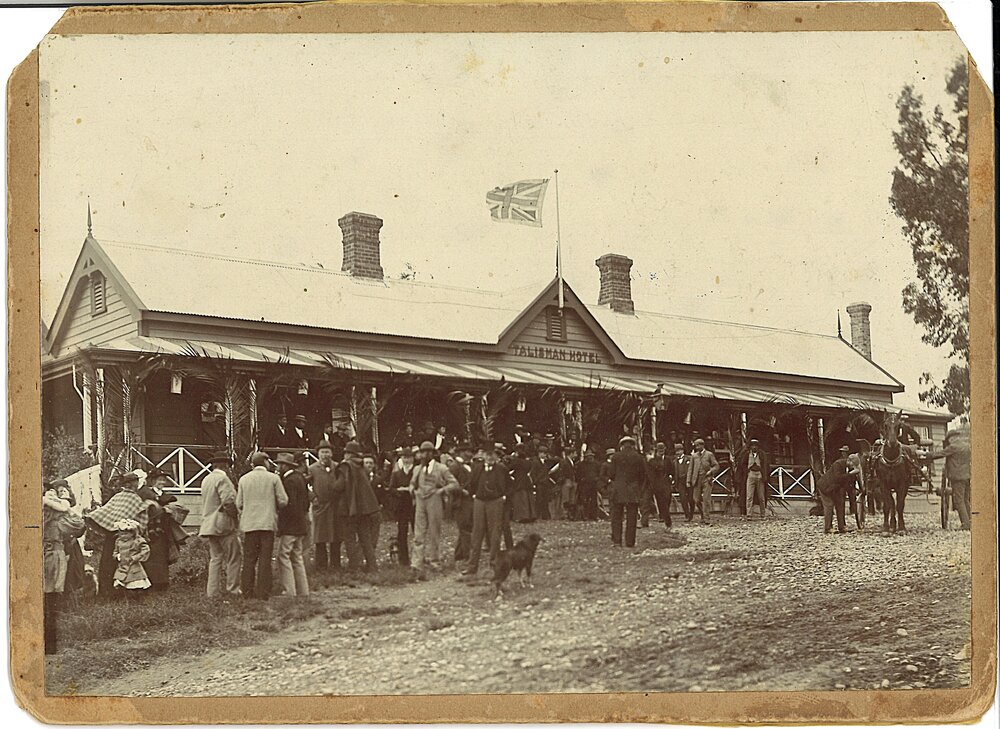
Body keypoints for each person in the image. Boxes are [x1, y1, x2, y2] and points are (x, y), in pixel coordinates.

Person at [85, 472, 150, 599]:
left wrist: (94, 516)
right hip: (128, 537)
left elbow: (105, 511)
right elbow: (142, 516)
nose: (137, 484)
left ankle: (106, 591)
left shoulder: (117, 497)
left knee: (109, 561)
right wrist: (139, 530)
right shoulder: (135, 498)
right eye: (136, 482)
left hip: (112, 535)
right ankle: (124, 591)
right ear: (132, 484)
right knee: (126, 562)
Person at [237, 452, 288, 600]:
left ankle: (247, 591)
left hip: (250, 524)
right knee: (265, 558)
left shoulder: (244, 479)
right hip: (267, 523)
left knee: (249, 559)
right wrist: (274, 506)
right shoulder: (273, 478)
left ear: (253, 464)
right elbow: (283, 500)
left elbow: (239, 503)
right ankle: (263, 592)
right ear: (266, 463)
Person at [461, 444, 512, 576]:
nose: (489, 457)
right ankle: (472, 566)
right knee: (477, 533)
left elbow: (509, 485)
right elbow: (471, 483)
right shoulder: (477, 468)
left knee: (495, 534)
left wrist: (504, 497)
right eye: (487, 454)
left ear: (496, 456)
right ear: (483, 455)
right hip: (479, 502)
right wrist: (474, 495)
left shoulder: (502, 469)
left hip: (495, 502)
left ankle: (494, 564)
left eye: (492, 454)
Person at [198, 451, 242, 598]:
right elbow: (229, 501)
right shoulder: (223, 479)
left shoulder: (206, 480)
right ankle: (233, 589)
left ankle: (212, 592)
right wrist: (236, 519)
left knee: (215, 559)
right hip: (223, 524)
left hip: (208, 524)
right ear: (225, 466)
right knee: (233, 557)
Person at [409, 440, 460, 569]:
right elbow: (412, 483)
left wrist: (442, 490)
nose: (424, 455)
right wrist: (412, 489)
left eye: (427, 452)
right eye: (422, 452)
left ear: (432, 453)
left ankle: (434, 560)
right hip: (421, 500)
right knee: (418, 532)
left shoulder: (441, 468)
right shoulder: (417, 468)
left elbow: (454, 483)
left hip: (434, 500)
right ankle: (416, 562)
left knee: (434, 531)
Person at [334, 441, 382, 572]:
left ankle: (354, 567)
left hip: (349, 509)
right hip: (365, 509)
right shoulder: (361, 466)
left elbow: (339, 486)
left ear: (348, 454)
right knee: (365, 538)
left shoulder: (346, 466)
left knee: (349, 538)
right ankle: (372, 566)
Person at [275, 452, 311, 596]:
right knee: (297, 557)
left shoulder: (288, 481)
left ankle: (289, 591)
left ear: (284, 466)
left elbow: (290, 505)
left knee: (283, 556)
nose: (277, 467)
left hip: (290, 526)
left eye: (279, 464)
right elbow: (305, 502)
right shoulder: (300, 478)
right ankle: (303, 591)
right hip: (301, 524)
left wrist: (282, 520)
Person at [43, 482, 72, 654]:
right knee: (50, 598)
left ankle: (50, 644)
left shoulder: (57, 519)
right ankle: (49, 644)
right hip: (50, 555)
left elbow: (77, 526)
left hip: (49, 555)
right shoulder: (58, 519)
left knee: (49, 598)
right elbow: (77, 525)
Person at [309, 440, 344, 571]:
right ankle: (321, 566)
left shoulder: (338, 467)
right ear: (318, 454)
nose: (325, 455)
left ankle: (336, 565)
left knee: (336, 536)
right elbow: (304, 484)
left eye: (327, 452)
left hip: (335, 507)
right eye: (322, 452)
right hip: (321, 508)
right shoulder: (312, 469)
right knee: (320, 538)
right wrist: (313, 498)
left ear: (332, 453)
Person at [608, 436, 647, 547]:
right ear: (633, 445)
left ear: (622, 445)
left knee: (616, 517)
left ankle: (617, 541)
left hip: (619, 490)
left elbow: (611, 474)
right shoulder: (639, 457)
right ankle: (630, 542)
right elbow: (642, 475)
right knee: (632, 518)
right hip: (633, 490)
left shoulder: (615, 457)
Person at [929, 429, 972, 530]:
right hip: (967, 476)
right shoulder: (967, 446)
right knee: (965, 499)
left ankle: (965, 524)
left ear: (951, 438)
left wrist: (926, 454)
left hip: (957, 477)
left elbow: (940, 454)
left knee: (958, 501)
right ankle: (970, 521)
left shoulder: (953, 447)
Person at [816, 446, 860, 534]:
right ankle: (828, 528)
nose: (853, 467)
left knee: (840, 504)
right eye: (853, 465)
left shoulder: (847, 467)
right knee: (829, 505)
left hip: (835, 488)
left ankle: (842, 526)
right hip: (825, 487)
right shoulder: (838, 464)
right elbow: (838, 477)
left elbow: (847, 482)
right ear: (849, 461)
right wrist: (850, 473)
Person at [387, 447, 417, 565]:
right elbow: (391, 488)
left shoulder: (416, 471)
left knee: (417, 532)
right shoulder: (397, 473)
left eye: (409, 457)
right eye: (404, 457)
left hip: (414, 504)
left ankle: (418, 558)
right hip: (402, 505)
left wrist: (411, 490)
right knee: (402, 532)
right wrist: (399, 490)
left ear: (412, 458)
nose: (406, 460)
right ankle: (403, 560)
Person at [736, 439, 771, 520]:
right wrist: (747, 472)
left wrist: (764, 475)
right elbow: (742, 465)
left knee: (761, 496)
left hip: (759, 475)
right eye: (752, 445)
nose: (754, 447)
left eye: (756, 445)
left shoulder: (762, 454)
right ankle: (749, 515)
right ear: (750, 446)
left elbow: (765, 465)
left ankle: (763, 515)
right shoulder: (747, 454)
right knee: (749, 496)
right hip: (750, 475)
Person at [687, 438, 720, 524]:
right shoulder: (694, 456)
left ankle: (706, 517)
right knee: (696, 499)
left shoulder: (709, 454)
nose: (697, 447)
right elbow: (690, 469)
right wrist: (688, 480)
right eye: (696, 446)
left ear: (702, 445)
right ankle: (702, 513)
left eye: (698, 445)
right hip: (696, 479)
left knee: (706, 499)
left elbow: (716, 466)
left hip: (706, 478)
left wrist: (711, 471)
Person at [645, 442, 674, 528]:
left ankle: (664, 515)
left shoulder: (668, 459)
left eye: (663, 450)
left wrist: (672, 477)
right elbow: (654, 469)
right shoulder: (653, 460)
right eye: (659, 450)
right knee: (661, 502)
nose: (661, 451)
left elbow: (672, 469)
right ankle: (666, 519)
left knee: (667, 499)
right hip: (656, 483)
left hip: (666, 482)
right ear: (656, 450)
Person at [508, 445, 536, 523]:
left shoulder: (516, 461)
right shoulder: (528, 462)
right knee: (528, 498)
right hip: (527, 481)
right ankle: (531, 515)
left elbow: (510, 468)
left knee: (520, 498)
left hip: (519, 480)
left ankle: (522, 516)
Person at [575, 449, 601, 521]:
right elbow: (578, 475)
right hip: (584, 485)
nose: (590, 458)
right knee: (584, 501)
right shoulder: (581, 464)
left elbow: (599, 474)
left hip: (593, 485)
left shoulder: (596, 464)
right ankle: (585, 516)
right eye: (588, 456)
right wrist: (582, 480)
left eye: (591, 456)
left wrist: (597, 479)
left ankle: (594, 516)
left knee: (594, 501)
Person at [673, 444, 695, 521]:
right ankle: (687, 515)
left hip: (688, 481)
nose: (678, 452)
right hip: (680, 482)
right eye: (676, 451)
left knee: (691, 498)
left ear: (682, 450)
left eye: (679, 450)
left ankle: (691, 513)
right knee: (682, 498)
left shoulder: (689, 458)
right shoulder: (674, 461)